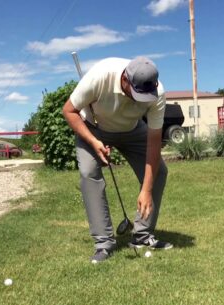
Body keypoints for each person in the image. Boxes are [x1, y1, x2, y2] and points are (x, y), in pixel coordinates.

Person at [62, 56, 173, 263]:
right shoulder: (100, 76)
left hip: (132, 129)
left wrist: (147, 190)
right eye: (136, 94)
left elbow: (154, 140)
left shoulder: (157, 93)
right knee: (89, 174)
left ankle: (142, 235)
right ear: (124, 80)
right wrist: (93, 141)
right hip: (94, 128)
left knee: (159, 173)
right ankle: (104, 243)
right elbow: (69, 111)